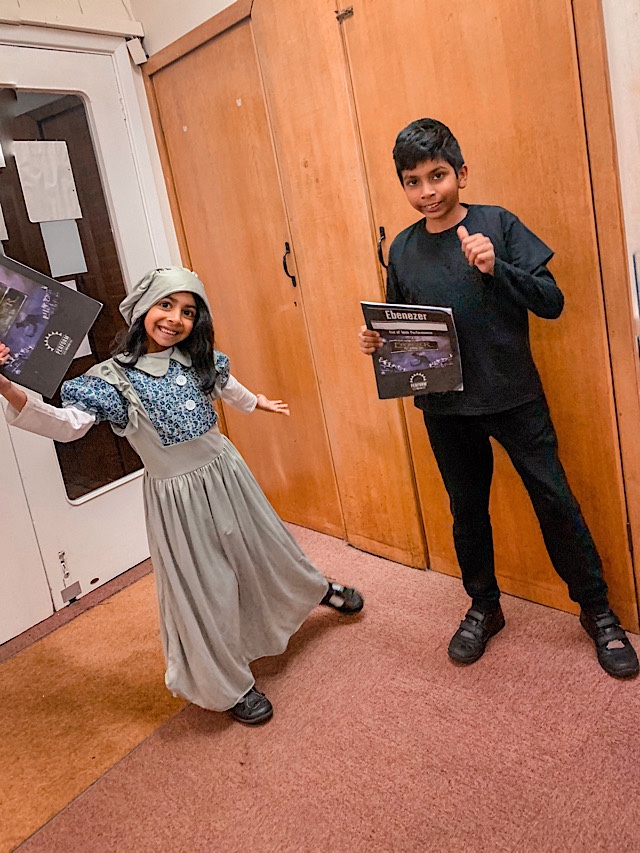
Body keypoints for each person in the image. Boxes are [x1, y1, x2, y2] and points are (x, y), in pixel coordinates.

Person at [1, 266, 364, 724]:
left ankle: (315, 590)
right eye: (166, 305)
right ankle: (228, 684)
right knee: (206, 586)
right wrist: (7, 387)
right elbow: (68, 425)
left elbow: (226, 385)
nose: (176, 319)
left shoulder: (196, 360)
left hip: (228, 474)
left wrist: (255, 402)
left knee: (268, 550)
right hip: (178, 499)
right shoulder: (111, 380)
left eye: (189, 311)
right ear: (142, 309)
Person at [358, 117, 638, 678]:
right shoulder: (403, 249)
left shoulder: (497, 224)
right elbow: (403, 326)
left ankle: (597, 610)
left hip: (514, 396)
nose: (427, 191)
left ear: (461, 173)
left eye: (437, 175)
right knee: (466, 511)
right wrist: (379, 343)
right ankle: (484, 606)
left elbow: (552, 302)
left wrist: (495, 267)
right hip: (445, 406)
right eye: (413, 182)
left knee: (554, 500)